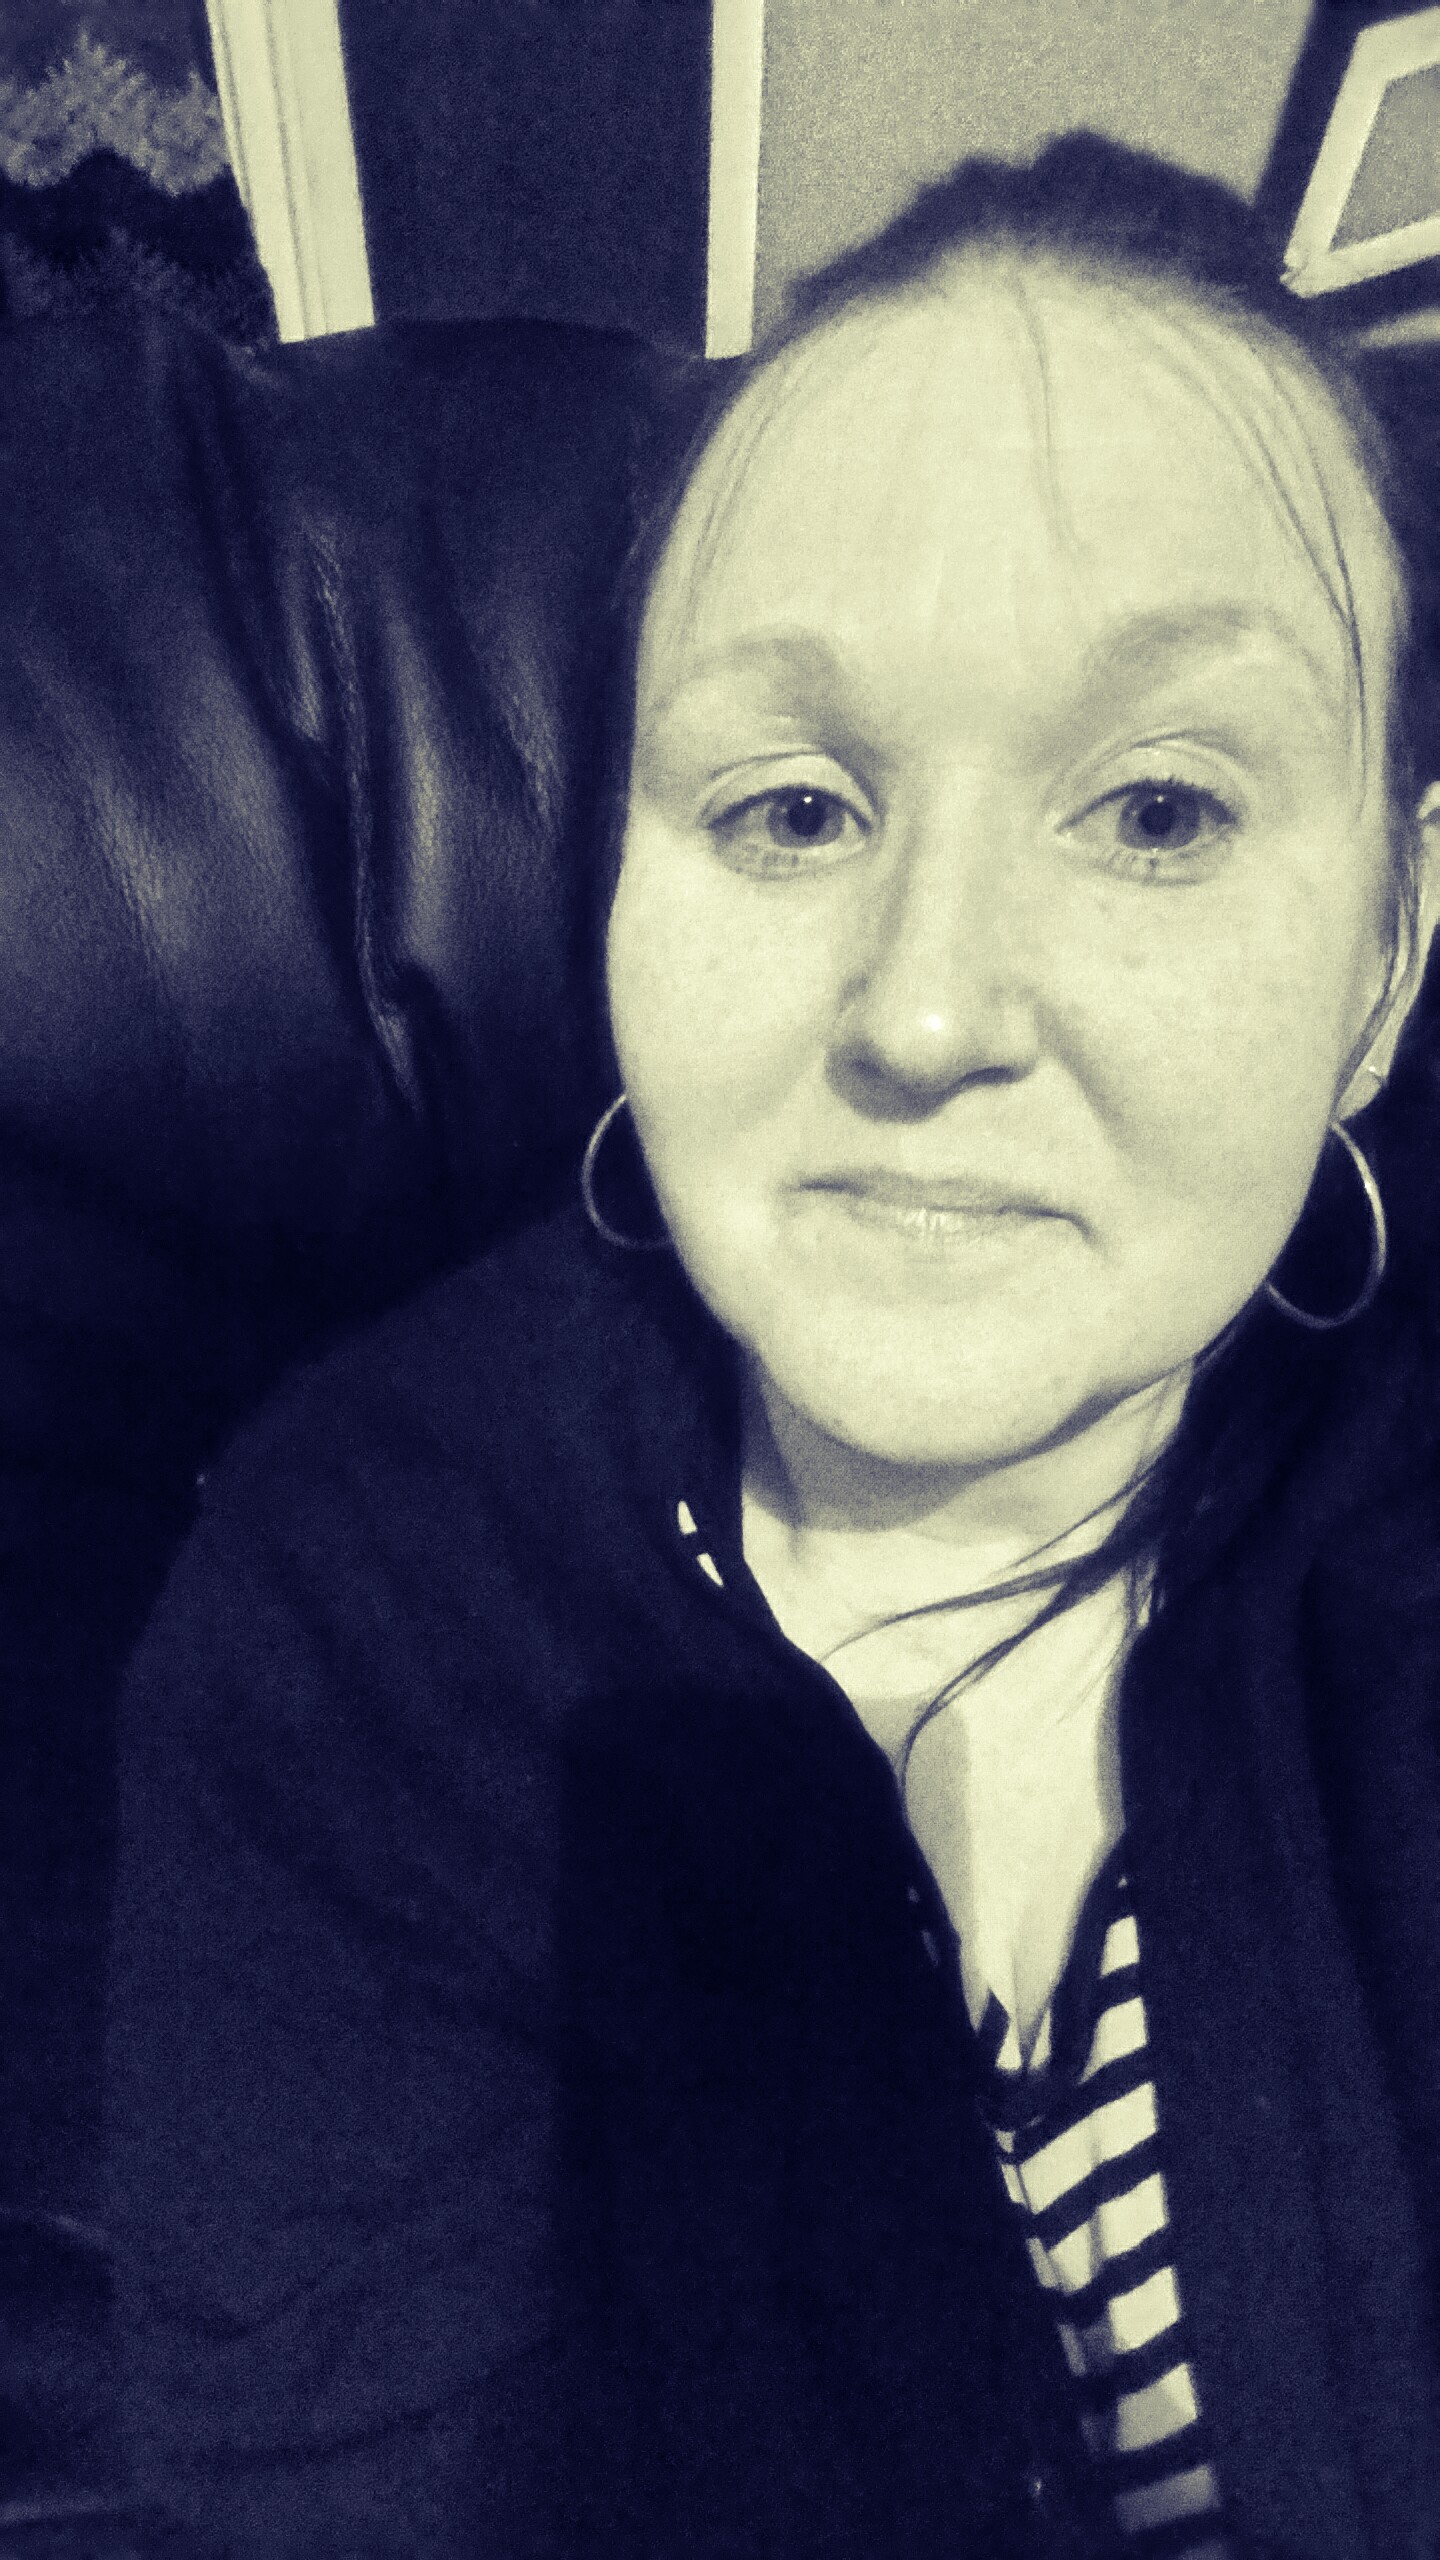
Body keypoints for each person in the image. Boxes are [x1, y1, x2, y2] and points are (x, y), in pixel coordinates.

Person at [107, 134, 1440, 2560]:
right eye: (793, 806)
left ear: (1388, 957)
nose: (924, 1011)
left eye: (1158, 807)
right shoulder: (363, 1624)